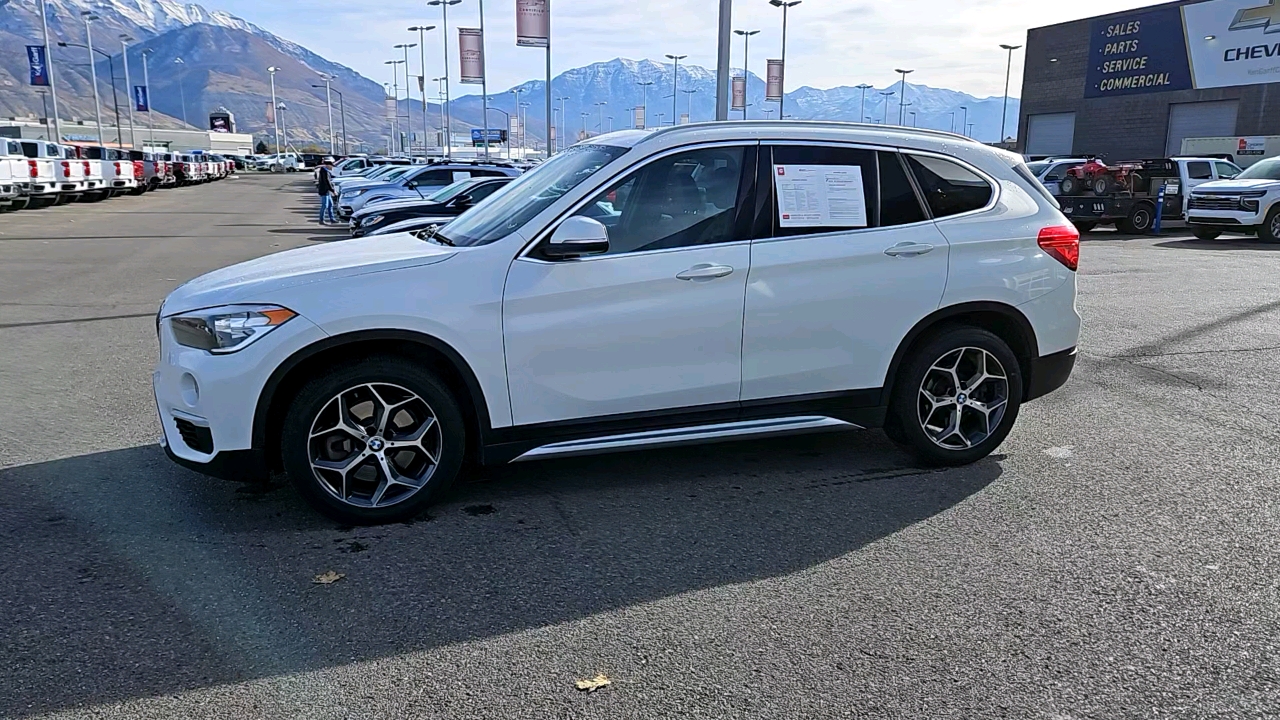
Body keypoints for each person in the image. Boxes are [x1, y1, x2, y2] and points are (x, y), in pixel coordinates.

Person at [316, 161, 338, 225]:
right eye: (331, 166)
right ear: (328, 165)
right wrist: (333, 191)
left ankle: (332, 219)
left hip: (327, 191)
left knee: (330, 205)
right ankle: (321, 220)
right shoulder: (324, 172)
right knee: (324, 205)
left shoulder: (326, 171)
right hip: (324, 191)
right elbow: (327, 182)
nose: (332, 168)